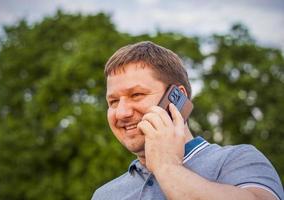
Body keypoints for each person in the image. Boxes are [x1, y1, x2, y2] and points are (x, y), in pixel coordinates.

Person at [92, 41, 283, 200]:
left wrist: (166, 167)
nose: (121, 113)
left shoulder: (238, 160)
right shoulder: (103, 195)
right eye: (113, 101)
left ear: (177, 98)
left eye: (137, 94)